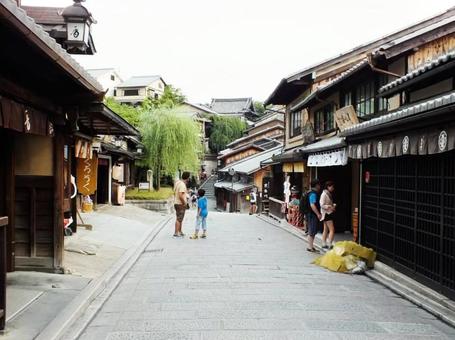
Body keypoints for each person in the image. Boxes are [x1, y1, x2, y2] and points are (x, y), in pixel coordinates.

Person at [305, 179, 322, 252]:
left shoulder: (310, 192)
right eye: (319, 184)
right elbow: (312, 205)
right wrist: (318, 213)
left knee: (312, 230)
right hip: (312, 214)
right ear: (317, 185)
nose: (320, 186)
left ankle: (311, 246)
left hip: (310, 213)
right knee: (312, 230)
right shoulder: (313, 194)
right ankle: (310, 247)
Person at [173, 171, 190, 237]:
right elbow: (180, 195)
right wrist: (184, 203)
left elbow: (175, 192)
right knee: (179, 218)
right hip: (180, 204)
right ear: (187, 178)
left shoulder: (177, 183)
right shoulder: (182, 184)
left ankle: (180, 231)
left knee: (180, 218)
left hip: (176, 202)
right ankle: (176, 232)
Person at [320, 181, 336, 249]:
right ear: (328, 187)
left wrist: (332, 206)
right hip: (327, 213)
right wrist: (330, 206)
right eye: (332, 187)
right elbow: (322, 205)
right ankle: (330, 244)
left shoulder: (327, 193)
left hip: (327, 213)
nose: (333, 188)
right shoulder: (324, 194)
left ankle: (324, 243)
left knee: (325, 229)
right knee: (332, 229)